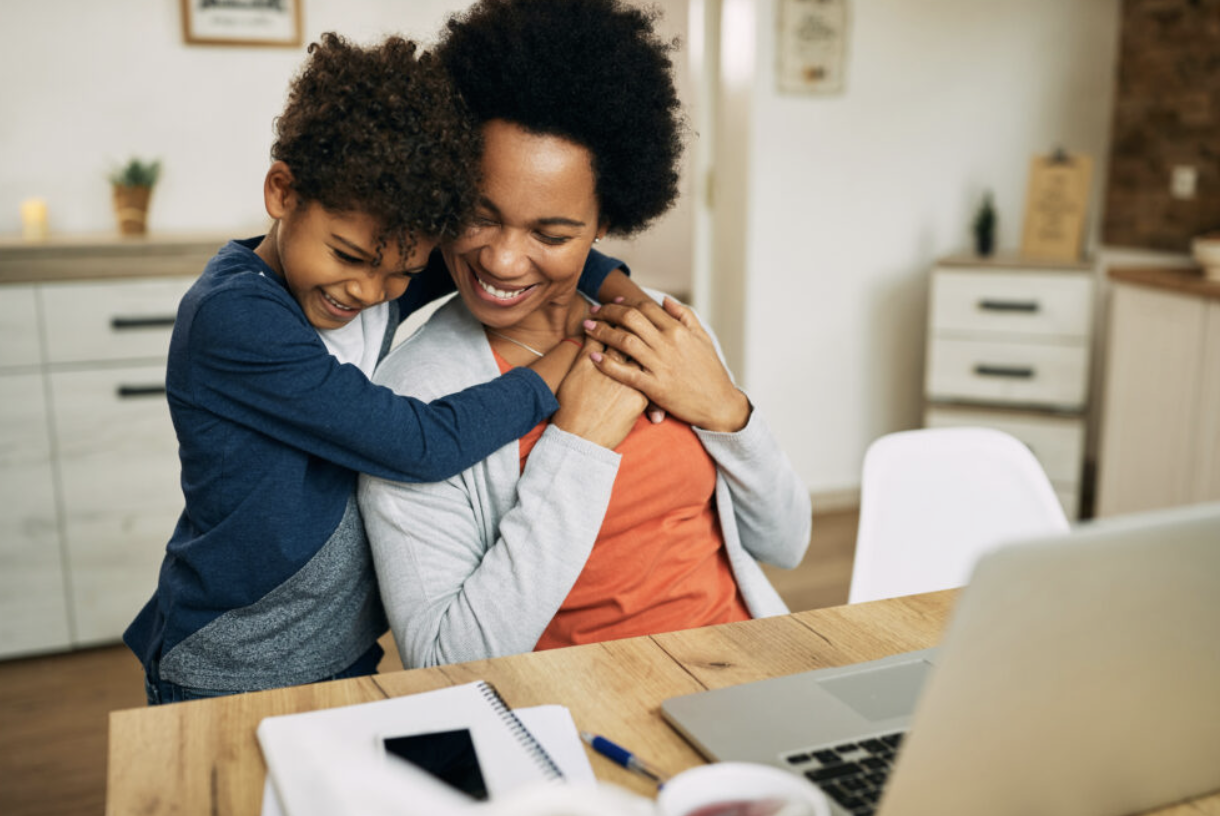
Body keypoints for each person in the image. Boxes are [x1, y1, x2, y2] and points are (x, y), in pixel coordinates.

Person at [125, 32, 644, 703]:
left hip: (342, 653)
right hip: (234, 664)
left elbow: (503, 258)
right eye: (348, 256)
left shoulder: (381, 254)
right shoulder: (236, 319)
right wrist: (570, 359)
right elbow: (420, 444)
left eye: (403, 271)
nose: (368, 292)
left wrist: (618, 294)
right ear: (283, 191)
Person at [359, 0, 811, 669]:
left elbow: (787, 542)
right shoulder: (414, 401)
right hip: (587, 721)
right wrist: (577, 443)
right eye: (479, 216)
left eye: (552, 233)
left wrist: (725, 410)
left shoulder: (662, 328)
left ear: (604, 224)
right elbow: (441, 659)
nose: (503, 261)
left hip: (755, 672)